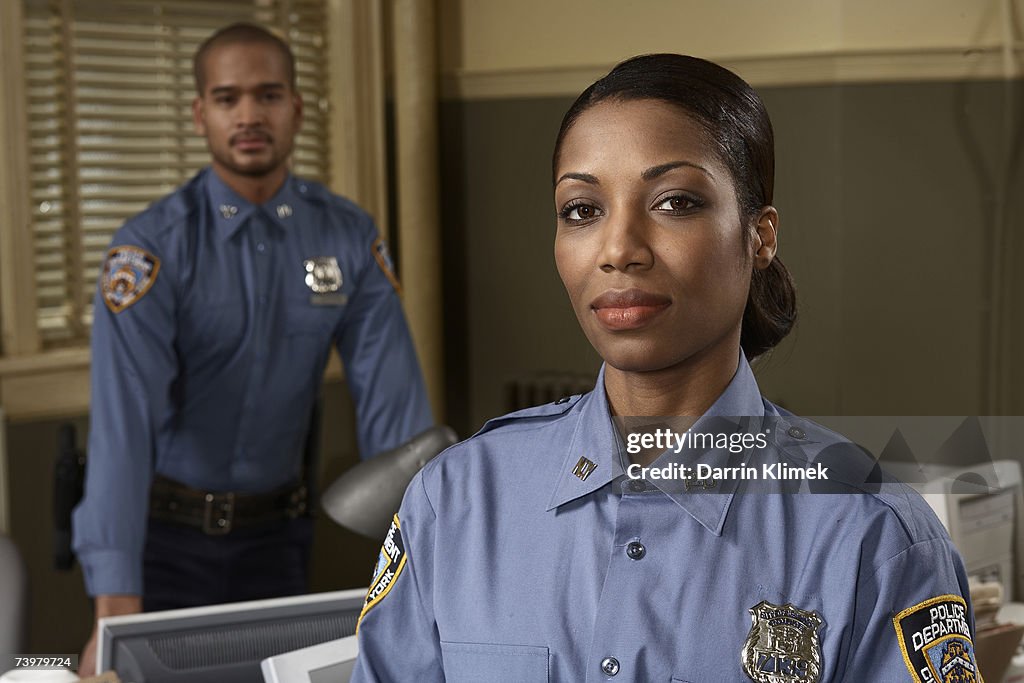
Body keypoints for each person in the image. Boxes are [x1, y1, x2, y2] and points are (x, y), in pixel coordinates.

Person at [351, 54, 978, 682]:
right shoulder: (456, 500)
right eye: (582, 210)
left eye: (675, 202)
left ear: (760, 237)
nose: (619, 249)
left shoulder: (872, 536)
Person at [74, 23, 433, 675]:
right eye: (227, 98)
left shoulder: (348, 238)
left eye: (268, 96)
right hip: (166, 544)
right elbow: (122, 437)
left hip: (281, 541)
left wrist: (430, 571)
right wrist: (113, 615)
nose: (249, 116)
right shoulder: (151, 250)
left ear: (295, 109)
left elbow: (398, 423)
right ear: (199, 113)